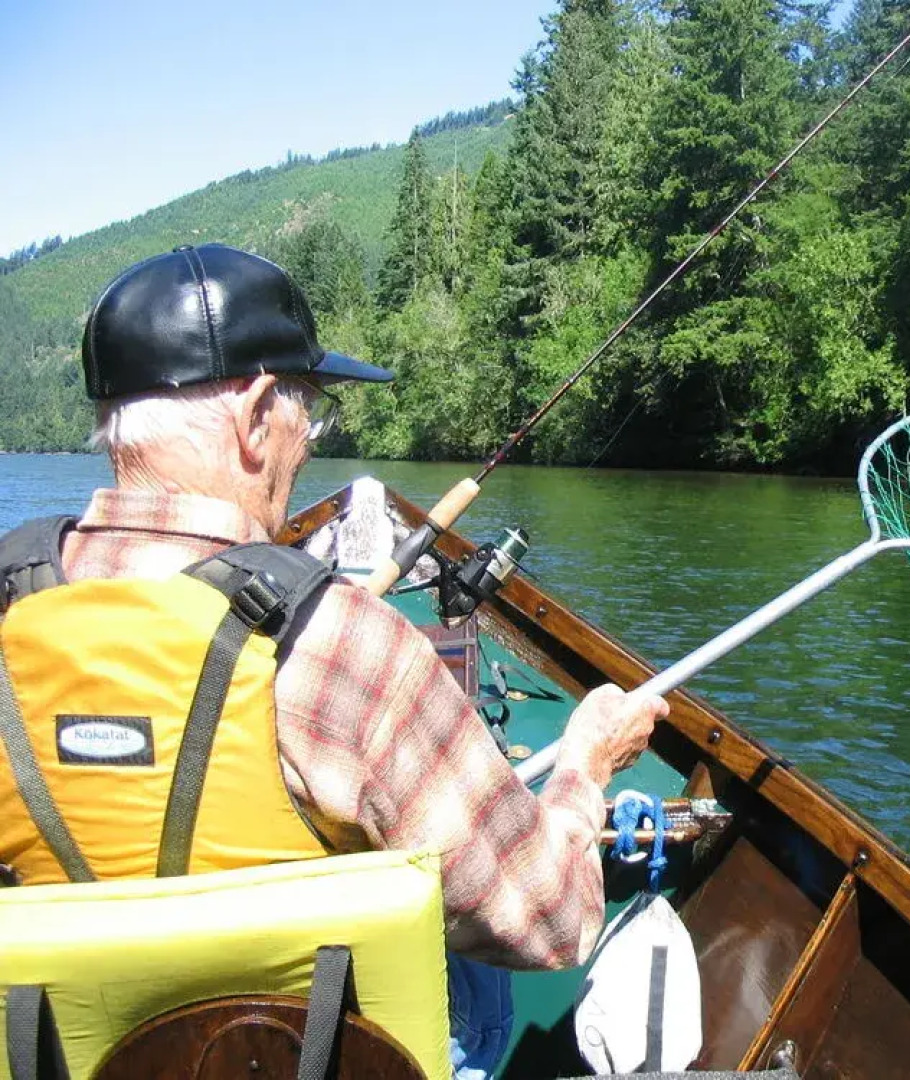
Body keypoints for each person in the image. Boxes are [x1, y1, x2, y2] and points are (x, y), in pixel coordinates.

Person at [0, 243, 668, 1077]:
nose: (308, 445)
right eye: (305, 412)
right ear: (252, 417)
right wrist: (585, 766)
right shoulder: (344, 646)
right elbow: (552, 922)